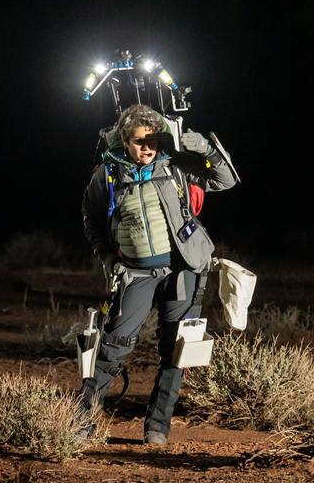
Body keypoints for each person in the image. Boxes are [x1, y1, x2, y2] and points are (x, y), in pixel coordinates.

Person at [80, 103, 238, 444]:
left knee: (175, 351)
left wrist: (201, 145)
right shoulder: (107, 174)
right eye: (139, 141)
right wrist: (106, 256)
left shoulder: (176, 165)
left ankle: (157, 427)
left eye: (153, 140)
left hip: (183, 271)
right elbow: (91, 218)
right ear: (124, 140)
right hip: (136, 274)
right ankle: (81, 422)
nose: (148, 147)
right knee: (111, 346)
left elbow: (224, 179)